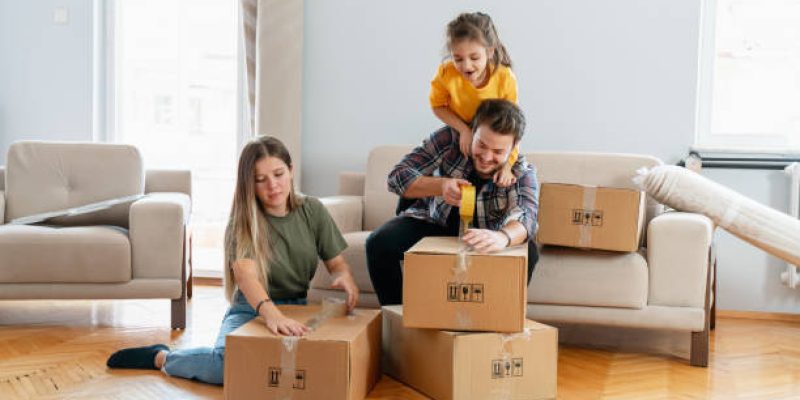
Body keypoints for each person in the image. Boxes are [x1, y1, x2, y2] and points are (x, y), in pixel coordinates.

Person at [106, 136, 359, 385]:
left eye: (279, 174)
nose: (273, 185)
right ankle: (162, 357)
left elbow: (336, 264)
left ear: (291, 171)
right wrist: (272, 315)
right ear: (249, 184)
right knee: (225, 368)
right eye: (260, 180)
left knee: (315, 367)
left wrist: (343, 276)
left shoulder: (312, 210)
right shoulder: (243, 221)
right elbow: (246, 276)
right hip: (251, 310)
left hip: (297, 308)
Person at [367, 99, 539, 306]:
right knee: (379, 243)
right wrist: (440, 185)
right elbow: (396, 177)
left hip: (484, 235)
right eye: (481, 145)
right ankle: (399, 319)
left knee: (530, 252)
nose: (486, 157)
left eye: (498, 152)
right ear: (472, 131)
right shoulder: (449, 139)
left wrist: (503, 237)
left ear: (513, 149)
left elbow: (527, 216)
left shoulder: (521, 171)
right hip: (435, 222)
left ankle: (494, 325)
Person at [431, 11, 520, 187]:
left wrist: (508, 165)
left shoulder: (504, 77)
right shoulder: (446, 73)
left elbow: (512, 126)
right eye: (458, 59)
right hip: (459, 130)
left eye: (474, 58)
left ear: (489, 52)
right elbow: (438, 105)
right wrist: (464, 130)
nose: (466, 66)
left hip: (491, 136)